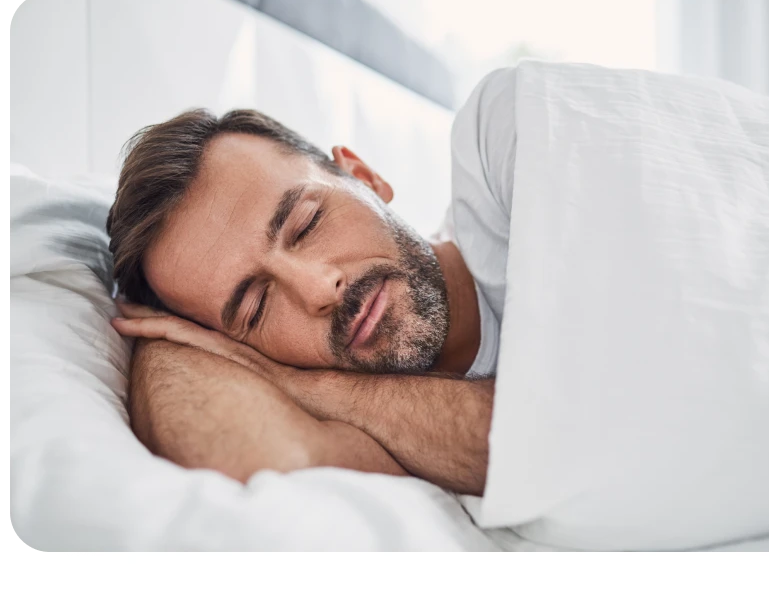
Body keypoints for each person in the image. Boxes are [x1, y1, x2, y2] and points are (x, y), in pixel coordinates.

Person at [107, 68, 518, 495]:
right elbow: (261, 459)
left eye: (307, 225)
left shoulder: (507, 137)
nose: (320, 289)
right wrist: (171, 341)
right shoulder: (373, 433)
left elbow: (546, 440)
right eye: (256, 308)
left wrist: (298, 383)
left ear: (364, 176)